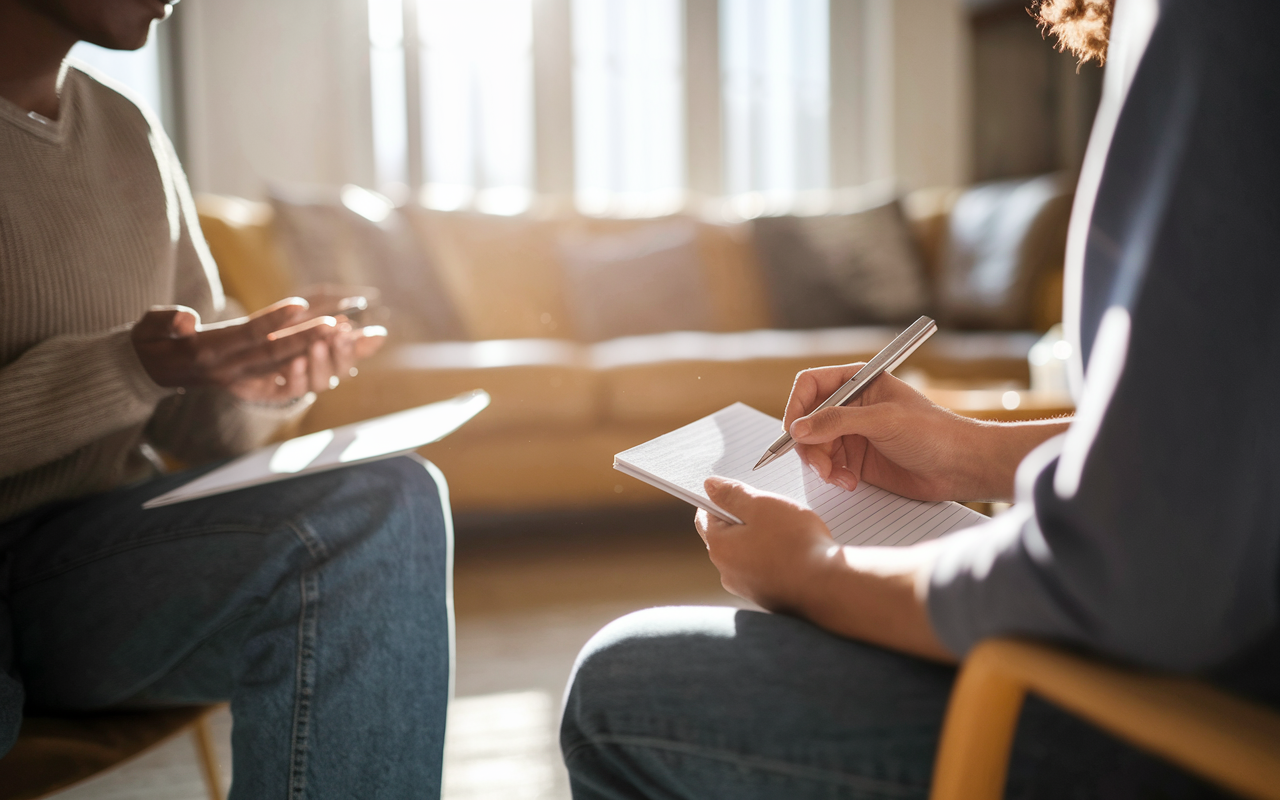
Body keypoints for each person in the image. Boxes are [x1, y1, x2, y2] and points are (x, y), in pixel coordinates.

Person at [560, 0, 1280, 797]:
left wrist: (819, 574)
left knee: (618, 689)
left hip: (1212, 719)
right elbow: (1223, 448)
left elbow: (1138, 577)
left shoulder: (1214, 23)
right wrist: (967, 453)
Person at [0, 0, 454, 795]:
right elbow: (142, 368)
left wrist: (261, 383)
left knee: (387, 502)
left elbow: (196, 413)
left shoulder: (128, 135)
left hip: (90, 565)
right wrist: (128, 367)